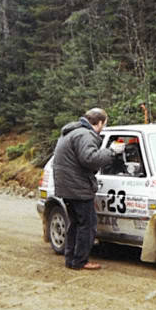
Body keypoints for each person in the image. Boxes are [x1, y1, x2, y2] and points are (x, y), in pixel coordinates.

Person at [53, 107, 124, 270]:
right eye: (104, 125)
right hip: (79, 187)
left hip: (66, 187)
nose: (103, 129)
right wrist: (111, 151)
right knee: (87, 225)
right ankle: (80, 261)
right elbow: (89, 159)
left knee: (75, 224)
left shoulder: (71, 132)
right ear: (99, 123)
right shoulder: (85, 135)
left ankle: (71, 259)